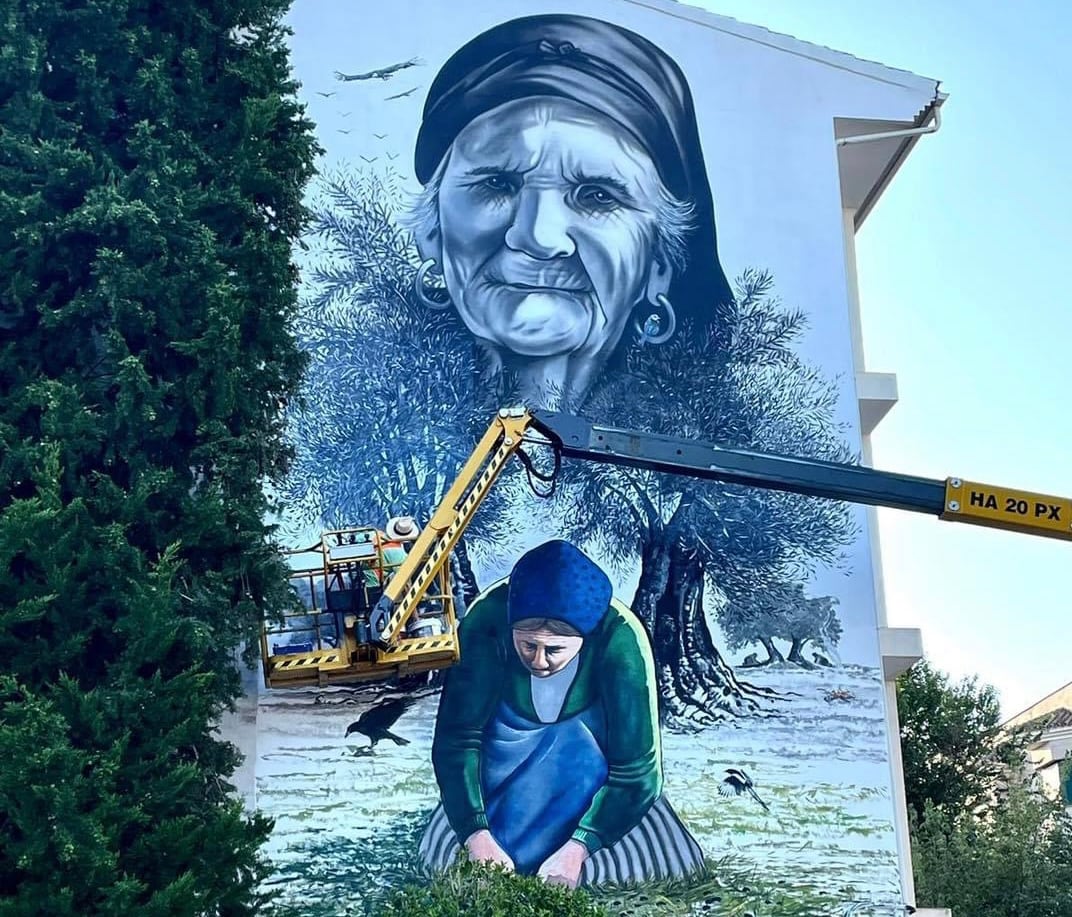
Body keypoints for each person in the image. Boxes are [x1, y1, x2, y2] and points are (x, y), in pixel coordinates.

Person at [406, 14, 734, 412]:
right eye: (497, 184)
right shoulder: (369, 415)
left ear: (659, 264)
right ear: (432, 234)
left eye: (596, 195)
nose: (538, 237)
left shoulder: (690, 454)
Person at [419, 539, 704, 887]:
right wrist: (476, 834)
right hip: (502, 771)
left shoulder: (622, 640)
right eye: (527, 646)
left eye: (553, 649)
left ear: (584, 638)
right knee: (451, 872)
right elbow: (457, 739)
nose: (539, 661)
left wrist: (577, 849)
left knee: (644, 872)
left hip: (589, 775)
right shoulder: (484, 622)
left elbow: (637, 771)